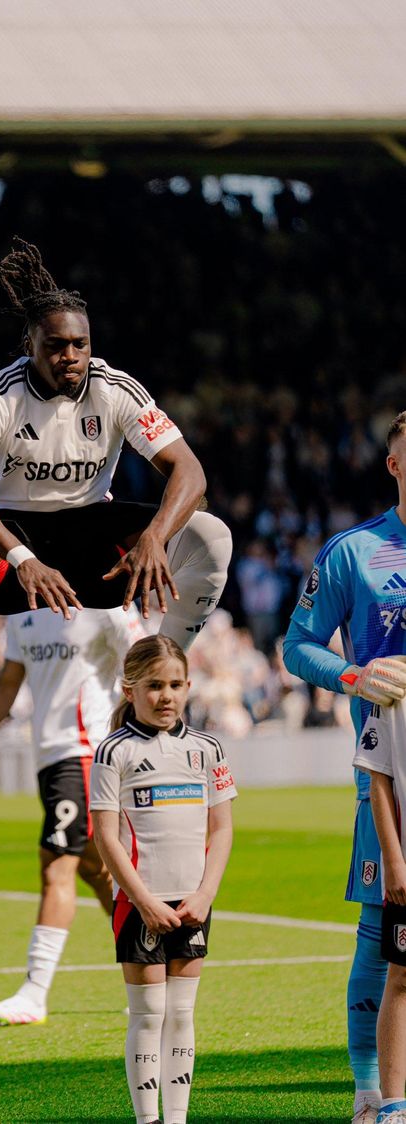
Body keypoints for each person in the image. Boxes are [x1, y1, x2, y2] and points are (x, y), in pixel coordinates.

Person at [0, 237, 233, 775]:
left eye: (80, 344)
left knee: (212, 536)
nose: (70, 356)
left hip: (95, 545)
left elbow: (191, 470)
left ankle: (154, 672)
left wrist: (157, 538)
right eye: (55, 345)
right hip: (15, 548)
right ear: (30, 343)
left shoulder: (114, 389)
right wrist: (24, 559)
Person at [283, 411, 406, 1124]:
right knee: (383, 927)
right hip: (388, 770)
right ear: (393, 465)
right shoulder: (355, 552)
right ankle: (372, 1094)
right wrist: (355, 677)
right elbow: (298, 646)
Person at [90, 635, 235, 1124]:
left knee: (183, 1015)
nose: (166, 696)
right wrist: (145, 901)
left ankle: (177, 1117)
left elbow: (223, 827)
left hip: (193, 901)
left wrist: (205, 894)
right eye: (154, 686)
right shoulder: (114, 751)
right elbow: (106, 838)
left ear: (189, 686)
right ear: (129, 690)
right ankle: (147, 1119)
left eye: (175, 684)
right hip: (141, 902)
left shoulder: (207, 748)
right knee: (149, 1015)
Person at [0, 604, 144, 1025]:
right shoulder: (20, 611)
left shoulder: (105, 605)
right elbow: (10, 682)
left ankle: (34, 994)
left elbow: (144, 663)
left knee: (56, 866)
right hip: (49, 759)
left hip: (86, 754)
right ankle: (150, 974)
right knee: (98, 870)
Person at [353, 698, 406, 1124]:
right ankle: (392, 1105)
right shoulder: (392, 693)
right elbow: (378, 780)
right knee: (401, 976)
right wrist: (394, 859)